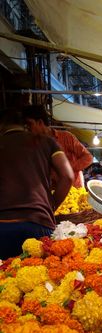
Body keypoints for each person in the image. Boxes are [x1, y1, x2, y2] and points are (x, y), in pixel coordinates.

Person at [0, 108, 74, 260]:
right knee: (42, 279)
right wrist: (51, 205)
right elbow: (67, 176)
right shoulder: (45, 141)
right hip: (38, 222)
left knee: (5, 278)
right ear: (26, 124)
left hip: (2, 224)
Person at [22, 105, 93, 188]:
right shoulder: (35, 145)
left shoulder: (66, 137)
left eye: (30, 124)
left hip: (74, 190)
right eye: (26, 126)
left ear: (40, 122)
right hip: (52, 191)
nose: (28, 129)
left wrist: (67, 168)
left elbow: (88, 157)